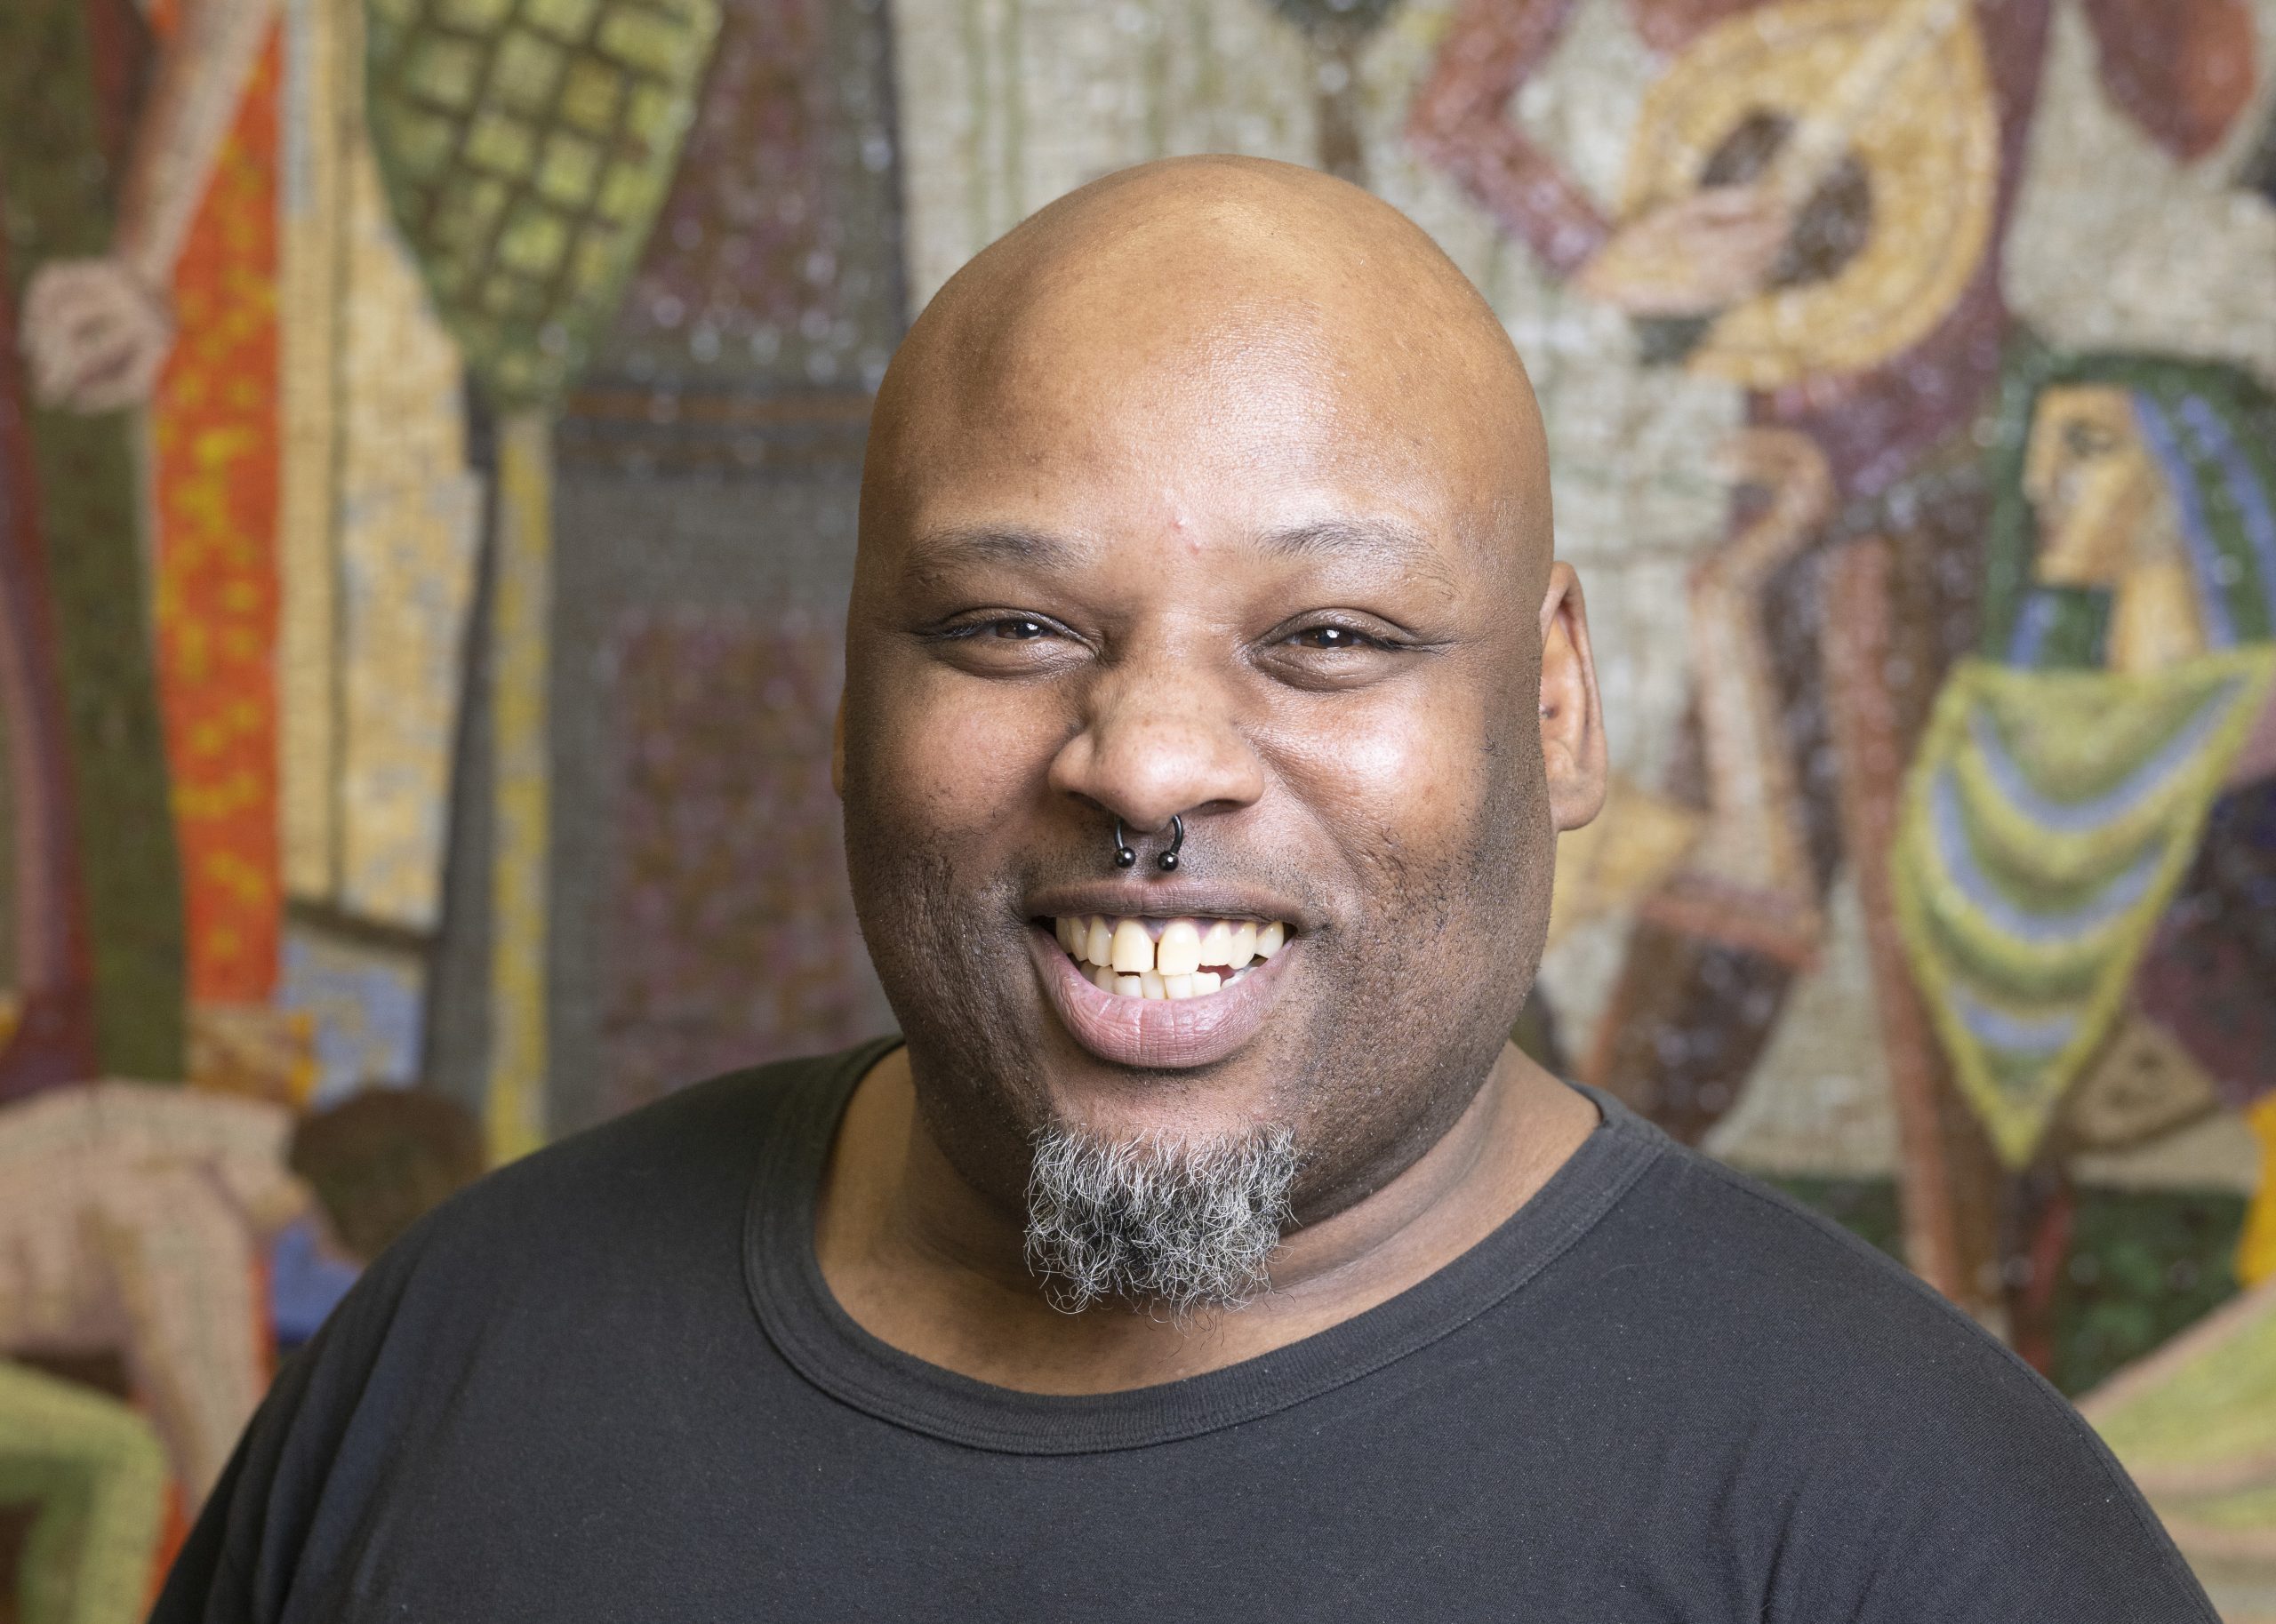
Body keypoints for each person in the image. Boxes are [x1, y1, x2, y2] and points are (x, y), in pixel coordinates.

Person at [151, 156, 2213, 1621]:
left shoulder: (1907, 1528)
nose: (1142, 759)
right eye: (1005, 626)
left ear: (1558, 705)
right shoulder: (464, 1345)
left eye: (1326, 635)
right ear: (846, 691)